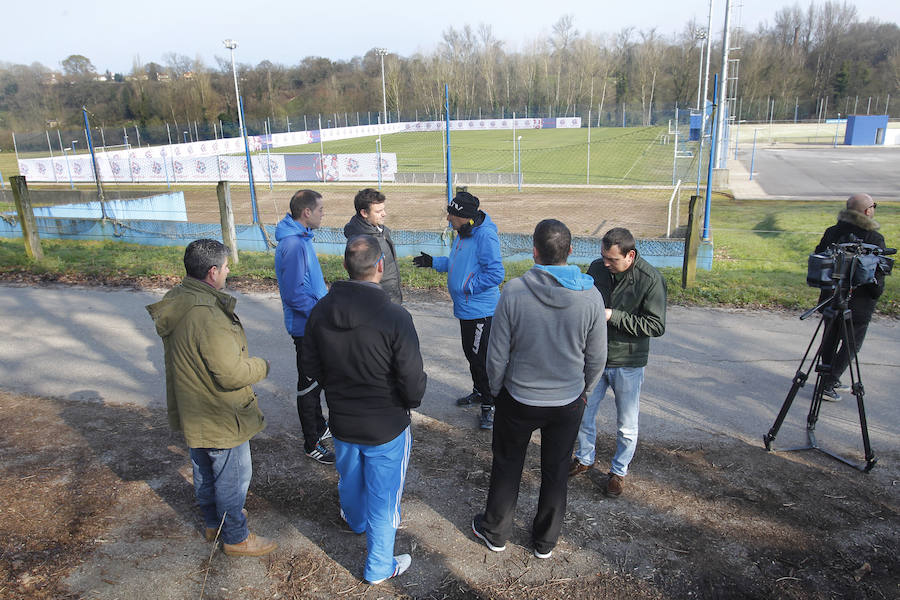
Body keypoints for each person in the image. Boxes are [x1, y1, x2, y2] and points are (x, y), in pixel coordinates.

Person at [472, 219, 607, 559]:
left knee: (507, 463)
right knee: (556, 468)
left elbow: (496, 353)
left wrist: (497, 389)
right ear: (571, 251)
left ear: (534, 252)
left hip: (519, 398)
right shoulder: (590, 296)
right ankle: (545, 541)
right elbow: (597, 357)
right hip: (567, 401)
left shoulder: (514, 292)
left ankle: (496, 532)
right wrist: (585, 390)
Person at [302, 234, 427, 584]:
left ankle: (355, 520)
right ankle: (377, 567)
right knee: (385, 499)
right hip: (386, 426)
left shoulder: (321, 310)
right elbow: (412, 379)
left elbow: (309, 366)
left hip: (342, 420)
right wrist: (409, 403)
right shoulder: (394, 316)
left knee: (351, 476)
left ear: (344, 266)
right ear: (381, 268)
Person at [146, 239, 277, 557]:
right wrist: (261, 366)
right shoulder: (208, 315)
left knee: (204, 469)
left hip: (194, 406)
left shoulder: (179, 298)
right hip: (220, 412)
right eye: (227, 266)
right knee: (233, 476)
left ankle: (212, 522)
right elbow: (230, 373)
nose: (229, 272)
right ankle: (235, 537)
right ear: (213, 271)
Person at [570, 227, 666, 498]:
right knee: (583, 413)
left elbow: (656, 325)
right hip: (595, 358)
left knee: (626, 423)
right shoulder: (597, 269)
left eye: (612, 259)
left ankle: (618, 471)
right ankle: (584, 458)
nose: (606, 263)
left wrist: (614, 316)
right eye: (603, 257)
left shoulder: (650, 279)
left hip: (628, 362)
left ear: (630, 255)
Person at [412, 190, 504, 429]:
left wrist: (466, 286)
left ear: (465, 216)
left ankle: (489, 405)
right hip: (466, 309)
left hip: (480, 310)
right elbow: (457, 264)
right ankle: (478, 391)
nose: (448, 219)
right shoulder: (463, 233)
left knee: (480, 359)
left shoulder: (485, 236)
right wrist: (434, 262)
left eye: (451, 215)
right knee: (471, 354)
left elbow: (495, 274)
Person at [275, 189, 334, 464]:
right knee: (309, 385)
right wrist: (321, 316)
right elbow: (294, 294)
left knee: (318, 380)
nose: (324, 214)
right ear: (307, 212)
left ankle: (320, 428)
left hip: (313, 324)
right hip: (305, 328)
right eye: (321, 209)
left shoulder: (302, 239)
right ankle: (311, 443)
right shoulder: (294, 245)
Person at [815, 193, 887, 402]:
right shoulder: (873, 238)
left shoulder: (832, 232)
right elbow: (878, 273)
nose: (874, 208)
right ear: (867, 211)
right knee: (851, 344)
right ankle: (829, 382)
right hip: (858, 302)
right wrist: (876, 294)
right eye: (873, 205)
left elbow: (819, 257)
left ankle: (826, 378)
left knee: (829, 338)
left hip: (831, 296)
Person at [343, 188, 402, 303]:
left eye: (383, 209)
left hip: (391, 294)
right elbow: (364, 278)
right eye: (378, 211)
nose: (384, 214)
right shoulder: (362, 242)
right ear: (364, 213)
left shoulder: (378, 229)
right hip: (378, 300)